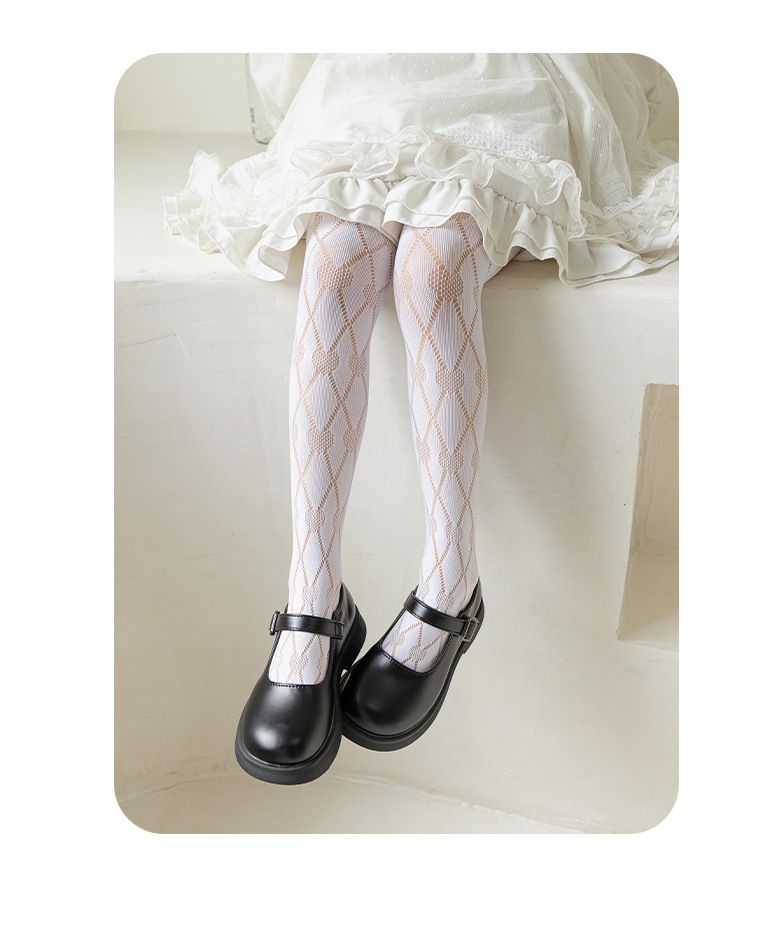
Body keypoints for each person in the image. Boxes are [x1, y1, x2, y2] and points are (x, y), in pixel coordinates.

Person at [164, 53, 679, 785]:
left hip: (511, 66)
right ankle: (313, 595)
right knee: (338, 262)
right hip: (374, 67)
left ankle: (450, 580)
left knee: (436, 267)